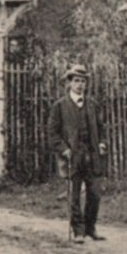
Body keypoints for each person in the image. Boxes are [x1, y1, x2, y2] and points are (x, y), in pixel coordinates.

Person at [46, 64, 107, 243]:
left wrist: (102, 143)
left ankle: (90, 229)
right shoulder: (59, 106)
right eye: (77, 81)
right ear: (69, 83)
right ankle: (78, 231)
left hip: (92, 155)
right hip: (73, 156)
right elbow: (52, 133)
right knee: (74, 196)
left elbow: (102, 128)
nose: (80, 85)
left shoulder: (93, 105)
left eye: (83, 81)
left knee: (94, 194)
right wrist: (64, 149)